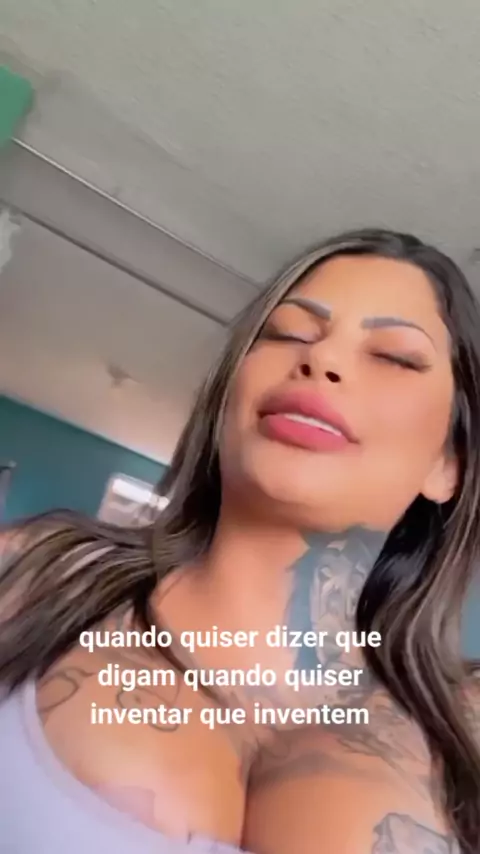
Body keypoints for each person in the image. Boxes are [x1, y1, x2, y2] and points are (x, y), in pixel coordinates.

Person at [1, 228, 479, 854]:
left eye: (393, 356)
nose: (321, 360)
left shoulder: (463, 730)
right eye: (287, 332)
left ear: (448, 464)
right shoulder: (32, 575)